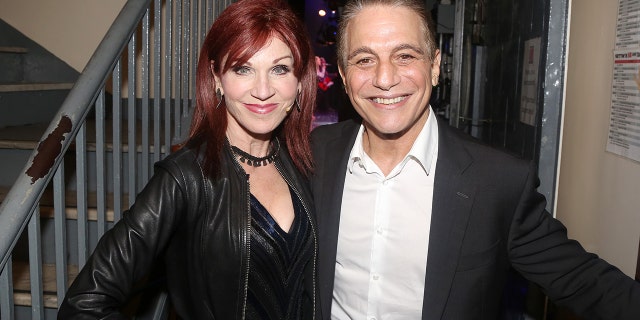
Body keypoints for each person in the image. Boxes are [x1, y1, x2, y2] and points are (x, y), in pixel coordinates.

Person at [310, 0, 640, 319]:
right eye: (365, 60)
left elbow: (584, 282)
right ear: (343, 73)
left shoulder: (497, 181)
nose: (385, 78)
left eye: (405, 55)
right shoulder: (312, 155)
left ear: (435, 66)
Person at [58, 0, 319, 318]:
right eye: (242, 68)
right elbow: (84, 303)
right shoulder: (185, 178)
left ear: (298, 80)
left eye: (279, 69)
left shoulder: (302, 164)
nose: (263, 90)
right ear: (217, 77)